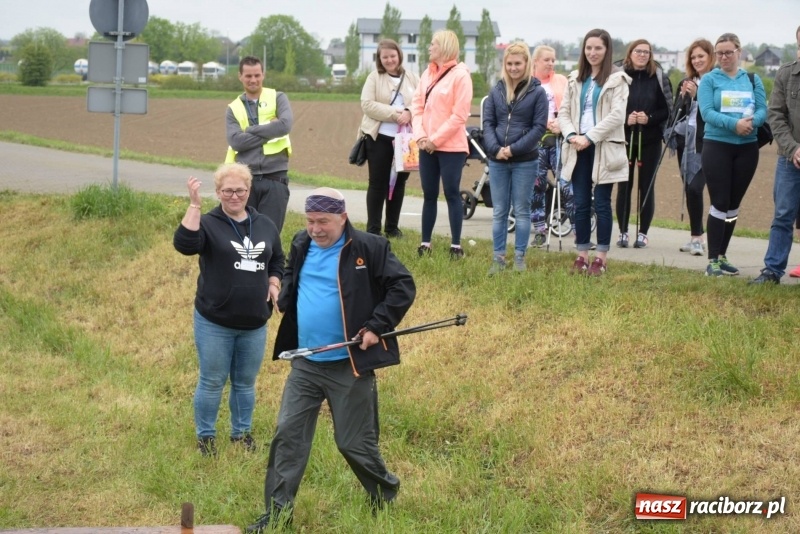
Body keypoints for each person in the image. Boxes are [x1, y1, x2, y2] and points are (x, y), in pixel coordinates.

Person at [246, 188, 416, 531]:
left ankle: (384, 493)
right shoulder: (300, 241)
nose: (316, 229)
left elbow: (402, 286)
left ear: (342, 217)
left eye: (323, 221)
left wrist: (376, 326)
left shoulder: (369, 247)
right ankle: (277, 515)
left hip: (348, 364)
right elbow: (292, 269)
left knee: (353, 442)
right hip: (306, 362)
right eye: (310, 221)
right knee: (287, 436)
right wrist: (285, 295)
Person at [173, 162, 284, 457]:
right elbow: (184, 244)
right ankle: (206, 437)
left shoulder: (265, 224)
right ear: (218, 192)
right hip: (215, 321)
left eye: (240, 190)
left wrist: (274, 282)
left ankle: (241, 434)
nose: (234, 196)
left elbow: (277, 260)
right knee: (212, 381)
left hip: (255, 322)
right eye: (227, 191)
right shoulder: (208, 223)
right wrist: (195, 205)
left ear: (249, 191)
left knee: (245, 383)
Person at [558, 29, 631, 276]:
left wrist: (590, 137)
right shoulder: (575, 78)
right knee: (580, 204)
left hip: (603, 148)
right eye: (588, 48)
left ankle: (600, 258)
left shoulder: (618, 80)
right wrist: (571, 136)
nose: (592, 53)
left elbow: (617, 115)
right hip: (577, 148)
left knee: (601, 203)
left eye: (598, 48)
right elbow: (564, 112)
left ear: (607, 50)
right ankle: (581, 255)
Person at [697, 33, 767, 277]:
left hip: (747, 148)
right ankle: (712, 260)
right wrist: (733, 125)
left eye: (728, 52)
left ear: (739, 52)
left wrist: (751, 123)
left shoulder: (752, 78)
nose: (724, 57)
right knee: (720, 202)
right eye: (719, 53)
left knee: (733, 206)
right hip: (717, 146)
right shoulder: (709, 80)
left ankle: (723, 255)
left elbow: (762, 109)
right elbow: (706, 112)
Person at [482, 42, 548, 274]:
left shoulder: (537, 93)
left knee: (522, 209)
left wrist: (513, 149)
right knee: (499, 211)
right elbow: (488, 123)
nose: (513, 68)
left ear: (526, 63)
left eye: (517, 63)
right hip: (497, 160)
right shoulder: (496, 91)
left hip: (525, 161)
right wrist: (496, 148)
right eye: (509, 63)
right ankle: (498, 258)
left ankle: (520, 257)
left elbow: (538, 128)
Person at [411, 29, 473, 259]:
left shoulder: (461, 75)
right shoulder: (427, 74)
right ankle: (425, 243)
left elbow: (459, 116)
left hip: (451, 148)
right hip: (426, 145)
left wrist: (435, 140)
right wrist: (421, 137)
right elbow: (416, 107)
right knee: (429, 194)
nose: (429, 47)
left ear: (445, 47)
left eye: (433, 44)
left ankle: (456, 246)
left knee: (451, 193)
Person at [750, 25, 800, 284]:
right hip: (790, 160)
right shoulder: (786, 74)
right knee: (783, 215)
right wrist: (794, 148)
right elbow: (776, 115)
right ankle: (772, 271)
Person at [615, 39, 672, 249]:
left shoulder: (658, 77)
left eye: (646, 52)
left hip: (650, 140)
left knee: (646, 186)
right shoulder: (618, 76)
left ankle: (643, 232)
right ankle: (622, 231)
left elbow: (666, 109)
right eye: (638, 51)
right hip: (624, 138)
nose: (642, 55)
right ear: (630, 54)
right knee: (624, 186)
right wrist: (625, 119)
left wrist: (648, 118)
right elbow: (610, 106)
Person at [359, 39, 420, 238]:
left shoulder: (411, 77)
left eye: (392, 56)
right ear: (380, 59)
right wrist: (396, 113)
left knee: (400, 183)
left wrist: (410, 112)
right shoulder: (374, 78)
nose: (389, 60)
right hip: (379, 139)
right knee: (378, 184)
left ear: (399, 56)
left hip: (406, 142)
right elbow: (367, 104)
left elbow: (421, 102)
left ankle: (392, 227)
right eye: (385, 57)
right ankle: (373, 230)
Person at [225, 56, 293, 232]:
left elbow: (285, 125)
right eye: (248, 76)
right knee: (243, 233)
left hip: (275, 178)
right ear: (240, 76)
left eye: (257, 75)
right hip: (245, 180)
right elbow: (236, 142)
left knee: (269, 235)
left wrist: (249, 130)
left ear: (263, 74)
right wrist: (270, 129)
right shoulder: (233, 108)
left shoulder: (278, 97)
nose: (253, 80)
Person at [673, 39, 714, 256]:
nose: (697, 60)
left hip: (708, 141)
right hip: (685, 140)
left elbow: (713, 108)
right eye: (693, 57)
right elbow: (678, 111)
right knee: (689, 188)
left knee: (696, 187)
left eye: (701, 56)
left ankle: (703, 239)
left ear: (710, 57)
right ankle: (695, 236)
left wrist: (697, 93)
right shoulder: (687, 80)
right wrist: (684, 97)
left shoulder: (717, 80)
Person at [529, 45, 572, 248]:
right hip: (535, 142)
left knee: (565, 183)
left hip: (558, 139)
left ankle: (578, 228)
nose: (551, 63)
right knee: (537, 185)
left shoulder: (562, 81)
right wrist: (542, 122)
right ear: (536, 61)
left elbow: (569, 107)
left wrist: (560, 124)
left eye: (553, 60)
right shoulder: (528, 83)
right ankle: (539, 229)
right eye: (547, 60)